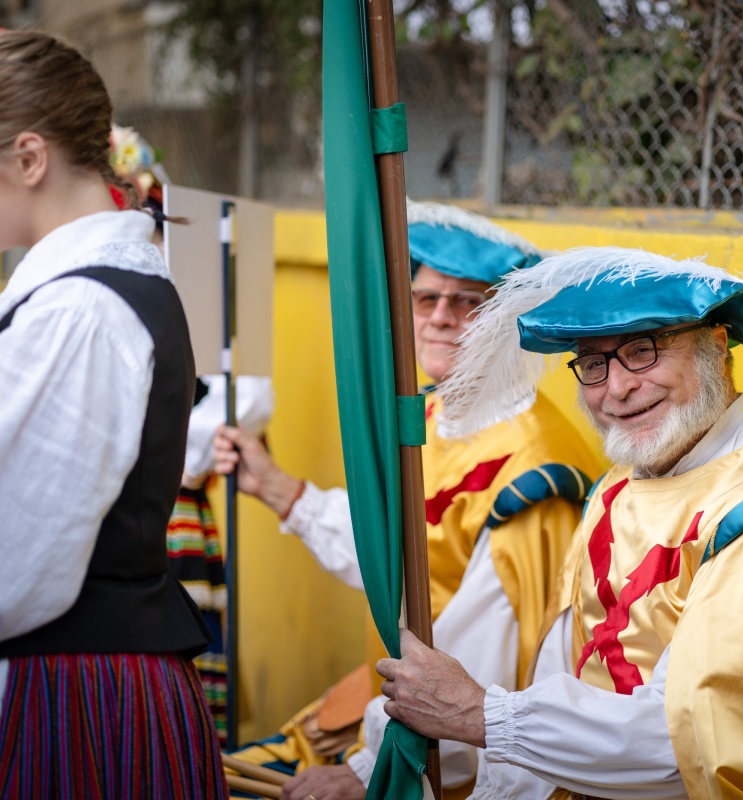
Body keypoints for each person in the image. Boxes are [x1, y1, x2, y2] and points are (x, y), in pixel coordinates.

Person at [214, 201, 602, 799]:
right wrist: (274, 485)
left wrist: (364, 770)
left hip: (448, 761)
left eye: (468, 302)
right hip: (397, 713)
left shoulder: (534, 475)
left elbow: (488, 672)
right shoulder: (430, 414)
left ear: (505, 321)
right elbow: (393, 555)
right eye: (427, 299)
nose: (441, 318)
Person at [376, 246, 743, 799]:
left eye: (643, 351)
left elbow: (689, 745)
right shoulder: (616, 483)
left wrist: (483, 715)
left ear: (716, 348)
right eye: (593, 363)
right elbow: (558, 670)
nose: (616, 389)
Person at [0, 30, 226, 797]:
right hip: (83, 675)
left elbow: (22, 562)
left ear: (30, 159)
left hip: (73, 696)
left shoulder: (81, 309)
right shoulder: (83, 293)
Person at [109, 121, 277, 746]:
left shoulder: (196, 286)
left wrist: (173, 448)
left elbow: (248, 399)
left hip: (176, 516)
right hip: (131, 515)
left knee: (185, 674)